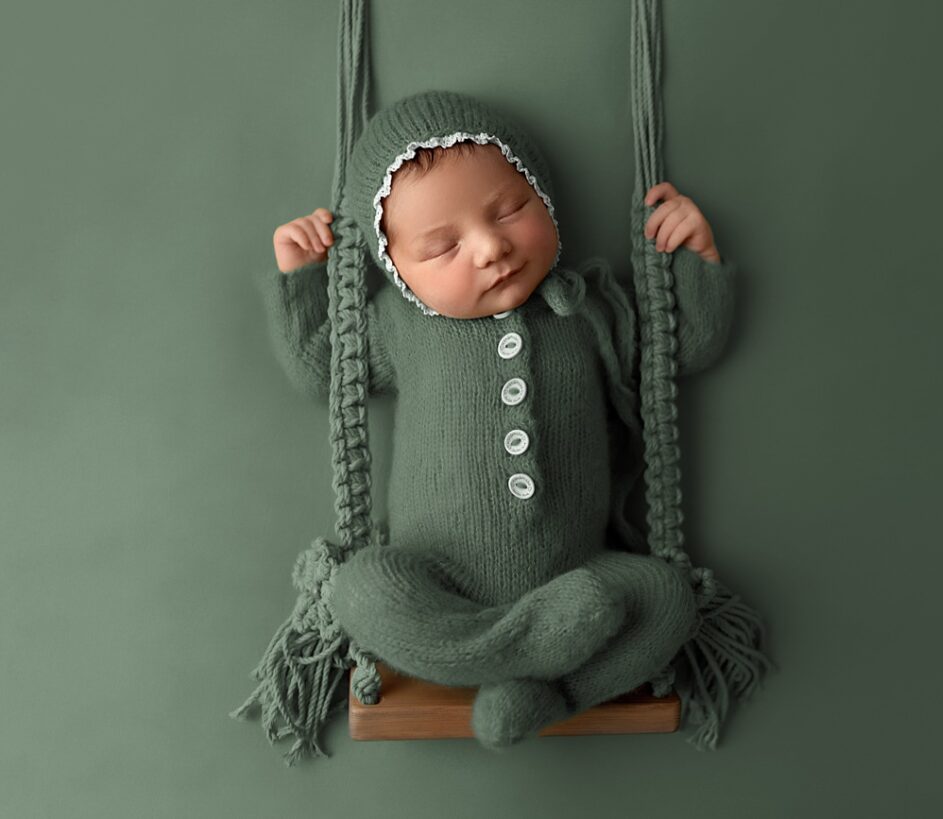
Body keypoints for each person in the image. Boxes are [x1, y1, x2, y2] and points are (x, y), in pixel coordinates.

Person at [258, 90, 737, 749]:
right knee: (361, 589)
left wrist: (694, 257)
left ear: (542, 196)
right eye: (440, 246)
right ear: (394, 269)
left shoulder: (589, 310)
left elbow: (684, 346)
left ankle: (547, 694)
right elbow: (323, 367)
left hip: (579, 579)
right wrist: (302, 276)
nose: (490, 247)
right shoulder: (401, 327)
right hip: (441, 582)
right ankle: (522, 654)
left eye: (512, 209)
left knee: (668, 597)